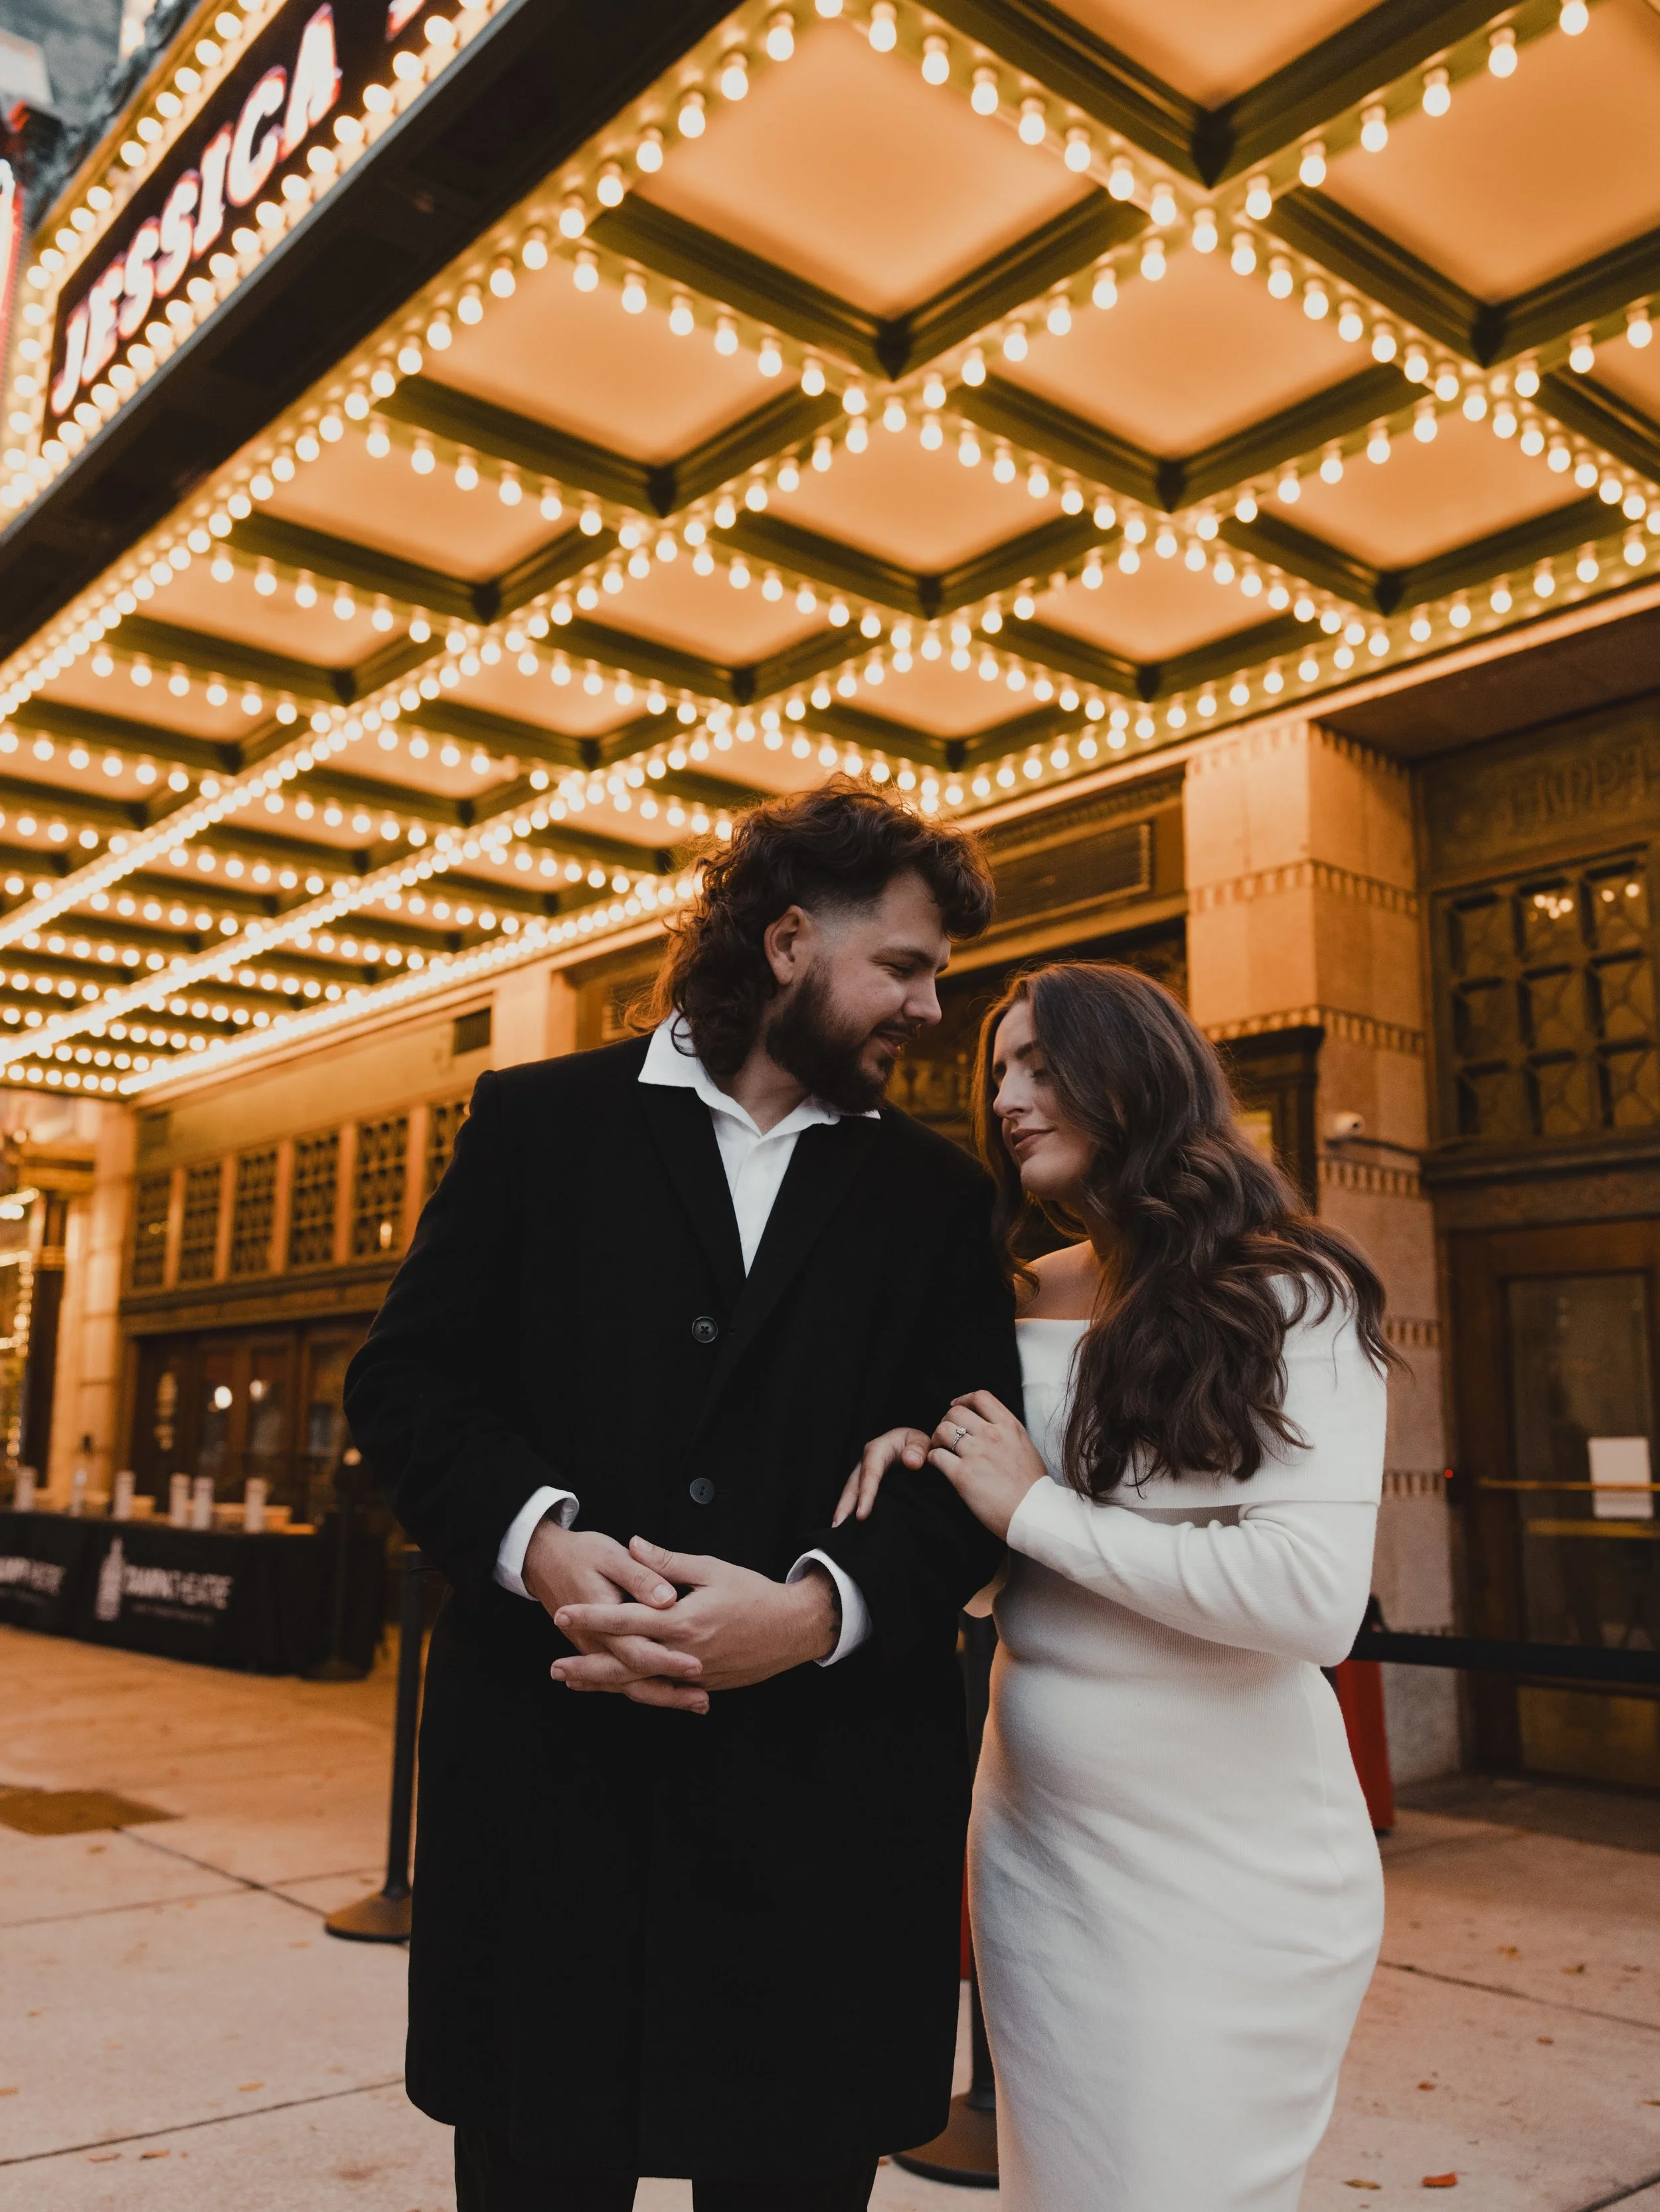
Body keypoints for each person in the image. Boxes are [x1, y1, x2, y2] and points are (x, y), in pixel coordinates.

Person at [342, 781, 1019, 2212]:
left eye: (937, 977)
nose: (929, 1010)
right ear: (785, 943)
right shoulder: (534, 1124)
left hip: (819, 1832)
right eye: (902, 966)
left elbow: (975, 1469)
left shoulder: (939, 1196)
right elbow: (405, 1389)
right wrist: (543, 1551)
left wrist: (812, 1612)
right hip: (549, 1802)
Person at [841, 960, 1394, 2212]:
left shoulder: (1290, 1290)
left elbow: (1309, 1598)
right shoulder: (1017, 1297)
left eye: (1041, 1065)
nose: (1010, 1099)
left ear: (1132, 1074)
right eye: (998, 1075)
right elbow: (991, 1580)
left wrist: (1034, 1504)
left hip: (1234, 1866)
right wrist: (925, 1470)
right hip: (1042, 1852)